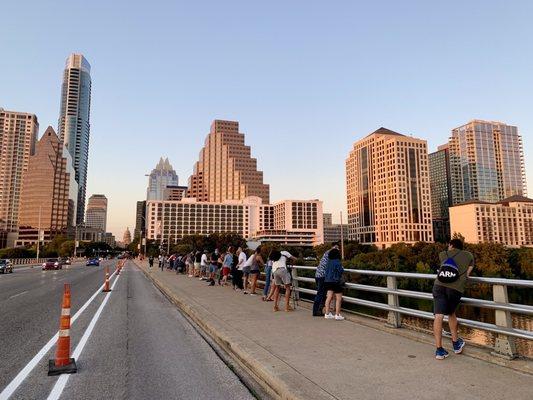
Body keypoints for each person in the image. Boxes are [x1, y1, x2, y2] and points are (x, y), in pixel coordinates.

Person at [433, 238, 474, 360]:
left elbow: (443, 263)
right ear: (461, 247)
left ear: (451, 245)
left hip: (439, 286)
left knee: (438, 316)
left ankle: (439, 350)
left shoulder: (443, 254)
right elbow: (470, 267)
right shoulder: (468, 255)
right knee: (451, 313)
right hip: (455, 288)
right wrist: (466, 275)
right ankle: (456, 343)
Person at [313, 242, 340, 317]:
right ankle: (316, 311)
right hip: (323, 276)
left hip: (318, 275)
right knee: (321, 294)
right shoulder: (332, 254)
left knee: (321, 294)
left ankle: (319, 310)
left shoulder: (327, 252)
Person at [323, 248, 345, 321]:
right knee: (339, 298)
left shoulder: (328, 262)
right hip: (335, 281)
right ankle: (337, 315)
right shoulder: (337, 262)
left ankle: (327, 313)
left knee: (329, 297)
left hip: (327, 281)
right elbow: (340, 271)